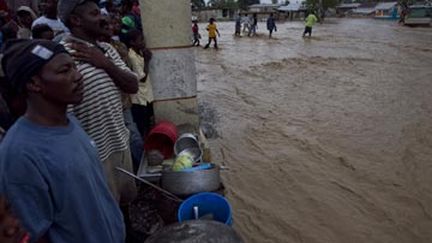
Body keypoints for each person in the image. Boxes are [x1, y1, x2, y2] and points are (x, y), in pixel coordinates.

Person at [0, 39, 125, 242]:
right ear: (34, 83)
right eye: (64, 70)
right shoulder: (19, 154)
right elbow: (33, 233)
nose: (78, 76)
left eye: (74, 67)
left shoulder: (71, 124)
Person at [57, 0, 138, 204]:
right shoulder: (62, 56)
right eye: (94, 14)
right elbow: (63, 116)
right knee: (106, 208)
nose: (103, 18)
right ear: (76, 20)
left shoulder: (107, 49)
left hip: (119, 141)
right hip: (93, 155)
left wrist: (104, 63)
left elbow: (132, 85)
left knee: (126, 200)